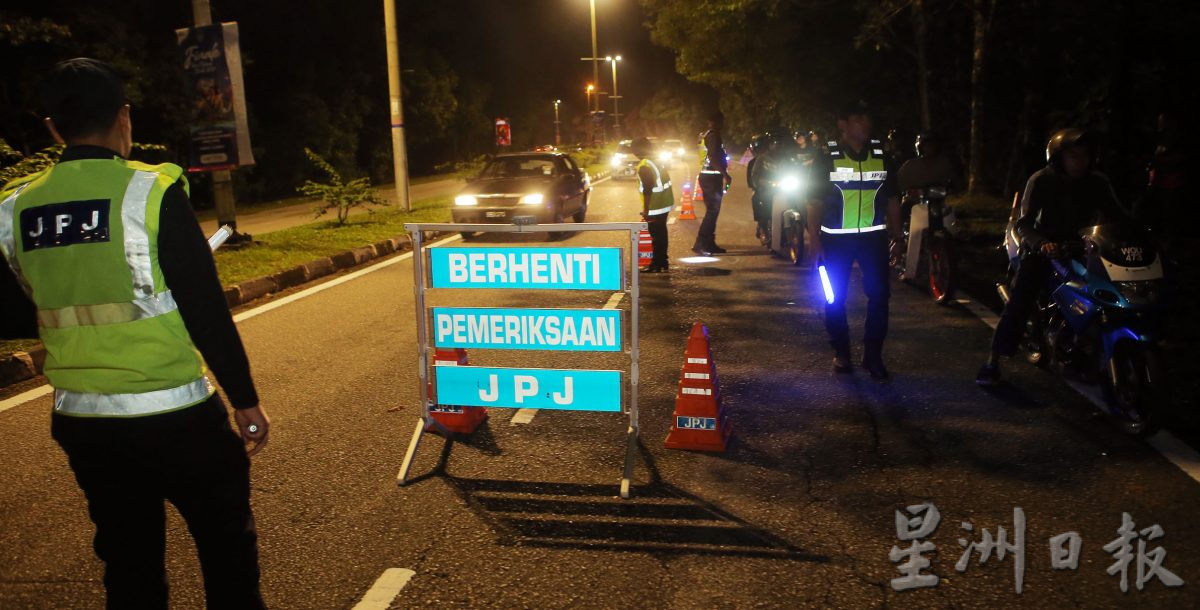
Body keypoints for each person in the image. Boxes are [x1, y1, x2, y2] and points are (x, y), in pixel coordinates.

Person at [0, 58, 269, 609]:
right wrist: (244, 400)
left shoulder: (14, 207)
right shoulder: (151, 190)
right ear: (124, 118)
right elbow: (205, 310)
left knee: (129, 561)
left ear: (52, 127)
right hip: (177, 415)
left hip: (84, 421)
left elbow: (8, 315)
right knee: (226, 552)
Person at [976, 128, 1130, 385]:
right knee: (1020, 298)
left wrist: (1139, 233)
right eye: (1073, 155)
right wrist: (1042, 243)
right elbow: (1023, 224)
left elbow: (1118, 215)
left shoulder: (1098, 182)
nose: (1080, 161)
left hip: (1083, 247)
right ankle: (993, 361)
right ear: (1059, 157)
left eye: (1084, 155)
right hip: (1044, 250)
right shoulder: (1041, 180)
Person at [806, 100, 903, 380]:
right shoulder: (827, 157)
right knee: (834, 297)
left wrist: (898, 237)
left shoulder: (882, 157)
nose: (865, 125)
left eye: (866, 119)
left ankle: (873, 356)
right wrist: (814, 238)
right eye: (858, 119)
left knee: (880, 297)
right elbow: (813, 201)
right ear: (843, 125)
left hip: (874, 239)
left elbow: (893, 200)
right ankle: (842, 352)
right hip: (835, 240)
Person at [896, 131, 959, 281]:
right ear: (921, 147)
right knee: (901, 213)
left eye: (933, 145)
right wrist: (910, 191)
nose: (930, 149)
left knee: (951, 223)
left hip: (936, 204)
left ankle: (950, 253)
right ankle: (898, 243)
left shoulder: (944, 164)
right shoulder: (911, 166)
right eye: (927, 146)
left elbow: (954, 180)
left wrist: (952, 186)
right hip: (915, 204)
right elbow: (898, 182)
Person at [694, 110, 732, 256]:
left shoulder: (704, 135)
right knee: (712, 211)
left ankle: (709, 243)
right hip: (711, 177)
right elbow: (713, 156)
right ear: (717, 122)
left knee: (713, 211)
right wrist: (725, 175)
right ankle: (701, 244)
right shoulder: (714, 136)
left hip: (707, 176)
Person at [633, 137, 673, 272]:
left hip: (655, 205)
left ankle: (656, 264)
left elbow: (647, 189)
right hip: (665, 201)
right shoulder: (656, 160)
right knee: (661, 233)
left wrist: (646, 210)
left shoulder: (645, 165)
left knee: (656, 234)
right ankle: (663, 261)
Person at [747, 133, 770, 243]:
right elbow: (752, 182)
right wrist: (761, 184)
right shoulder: (753, 162)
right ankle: (762, 226)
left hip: (780, 188)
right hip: (764, 190)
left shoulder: (777, 159)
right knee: (756, 199)